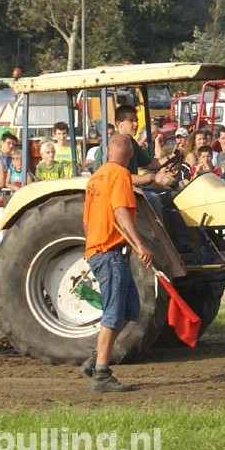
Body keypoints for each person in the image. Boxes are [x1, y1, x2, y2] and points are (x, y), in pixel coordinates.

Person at [81, 133, 153, 393]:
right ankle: (101, 374)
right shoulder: (120, 175)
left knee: (129, 310)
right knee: (114, 313)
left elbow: (87, 221)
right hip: (110, 253)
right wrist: (140, 244)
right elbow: (120, 210)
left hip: (103, 250)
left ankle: (95, 359)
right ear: (131, 154)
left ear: (108, 150)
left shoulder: (96, 177)